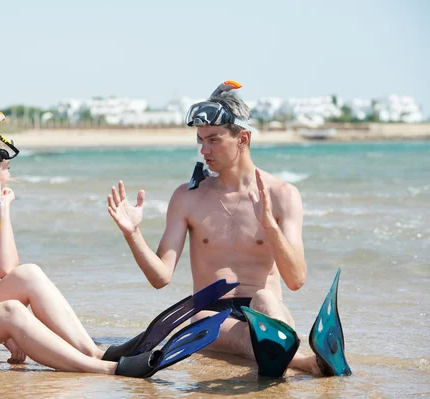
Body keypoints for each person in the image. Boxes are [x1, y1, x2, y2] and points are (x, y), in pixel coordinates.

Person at [0, 126, 221, 377]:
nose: (10, 176)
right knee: (9, 311)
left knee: (29, 274)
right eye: (5, 169)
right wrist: (5, 332)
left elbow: (6, 268)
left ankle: (95, 353)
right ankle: (108, 370)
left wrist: (3, 210)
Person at [106, 81, 350, 377]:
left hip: (267, 311)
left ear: (243, 138)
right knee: (208, 319)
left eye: (214, 139)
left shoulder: (283, 194)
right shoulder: (187, 197)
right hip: (211, 317)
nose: (204, 150)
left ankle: (278, 348)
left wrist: (270, 227)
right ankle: (305, 361)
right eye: (200, 140)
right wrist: (132, 234)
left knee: (264, 299)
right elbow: (160, 277)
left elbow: (296, 280)